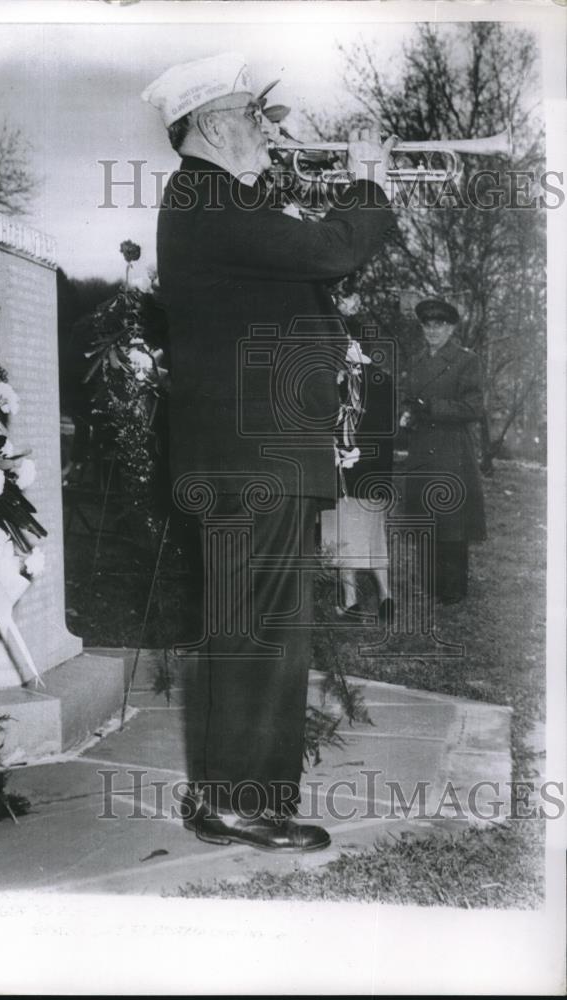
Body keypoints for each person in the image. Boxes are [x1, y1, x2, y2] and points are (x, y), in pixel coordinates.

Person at [142, 52, 396, 851]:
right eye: (256, 115)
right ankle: (243, 802)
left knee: (249, 627)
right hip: (254, 464)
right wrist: (368, 180)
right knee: (264, 632)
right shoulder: (209, 199)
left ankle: (227, 794)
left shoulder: (215, 200)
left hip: (251, 460)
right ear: (213, 125)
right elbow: (330, 252)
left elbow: (303, 268)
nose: (271, 128)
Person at [399, 297, 487, 604]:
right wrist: (407, 416)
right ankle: (430, 584)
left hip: (452, 450)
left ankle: (452, 589)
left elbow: (474, 407)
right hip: (423, 447)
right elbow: (410, 400)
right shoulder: (416, 360)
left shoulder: (466, 360)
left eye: (440, 325)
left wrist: (433, 407)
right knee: (426, 514)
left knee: (451, 518)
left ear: (451, 328)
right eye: (428, 325)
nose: (433, 331)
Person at [322, 336, 395, 623]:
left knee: (341, 532)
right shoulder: (382, 381)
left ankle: (351, 600)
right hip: (373, 473)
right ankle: (385, 595)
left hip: (346, 469)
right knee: (373, 535)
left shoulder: (338, 381)